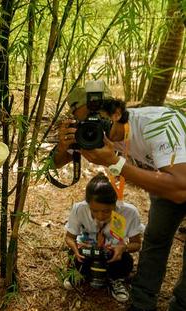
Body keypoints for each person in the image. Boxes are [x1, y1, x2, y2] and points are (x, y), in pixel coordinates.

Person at [55, 86, 186, 311]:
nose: (92, 126)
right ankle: (142, 303)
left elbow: (181, 189)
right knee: (155, 239)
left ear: (116, 112)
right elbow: (56, 163)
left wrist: (114, 162)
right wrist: (63, 145)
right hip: (166, 180)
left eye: (96, 119)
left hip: (177, 180)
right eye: (84, 122)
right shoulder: (97, 134)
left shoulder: (158, 125)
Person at [64, 173, 143, 303]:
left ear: (115, 203)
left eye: (106, 211)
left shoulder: (129, 212)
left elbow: (136, 244)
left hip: (112, 256)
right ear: (88, 203)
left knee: (126, 261)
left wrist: (123, 247)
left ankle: (115, 279)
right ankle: (79, 273)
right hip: (86, 253)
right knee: (74, 256)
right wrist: (76, 249)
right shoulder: (79, 209)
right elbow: (69, 237)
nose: (100, 215)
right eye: (94, 211)